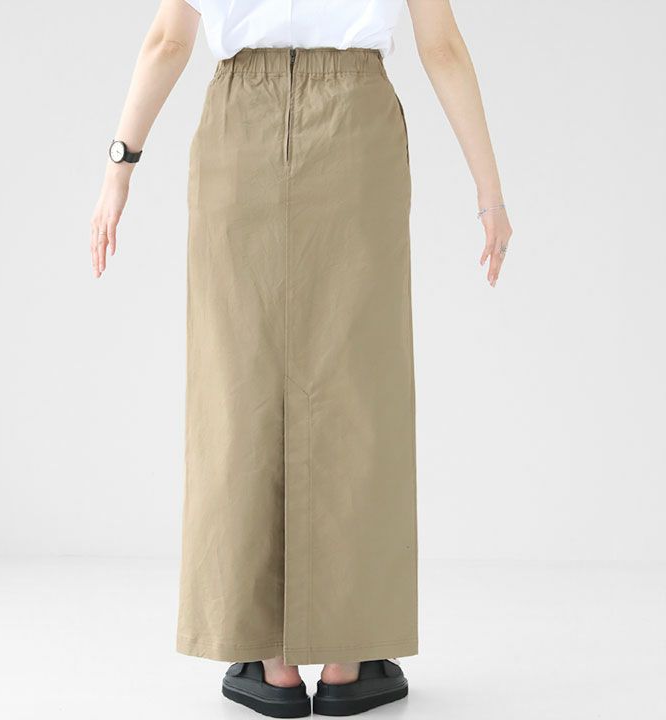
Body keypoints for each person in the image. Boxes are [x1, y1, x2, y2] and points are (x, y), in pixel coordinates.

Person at [89, 0, 512, 716]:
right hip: (356, 124)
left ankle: (270, 662)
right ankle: (349, 661)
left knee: (237, 381)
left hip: (238, 126)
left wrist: (120, 166)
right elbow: (440, 47)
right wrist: (489, 189)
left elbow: (167, 41)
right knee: (358, 382)